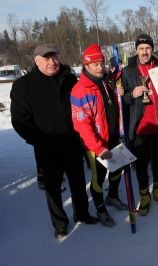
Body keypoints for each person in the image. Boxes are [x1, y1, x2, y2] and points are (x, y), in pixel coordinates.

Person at [11, 43, 97, 239]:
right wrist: (39, 140)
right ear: (36, 60)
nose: (52, 62)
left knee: (78, 182)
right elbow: (20, 121)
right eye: (46, 58)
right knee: (53, 188)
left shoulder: (69, 78)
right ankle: (60, 223)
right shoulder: (23, 86)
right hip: (46, 147)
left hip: (73, 143)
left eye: (54, 57)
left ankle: (82, 213)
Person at [71, 44, 129, 227]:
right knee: (98, 178)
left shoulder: (104, 81)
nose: (99, 67)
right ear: (86, 66)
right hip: (96, 145)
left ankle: (112, 196)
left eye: (101, 63)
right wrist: (98, 148)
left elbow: (109, 105)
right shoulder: (80, 90)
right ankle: (100, 208)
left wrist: (116, 93)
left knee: (117, 169)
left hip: (112, 137)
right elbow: (81, 125)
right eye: (94, 64)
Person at [121, 34, 158, 216]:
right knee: (141, 164)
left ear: (151, 49)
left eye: (148, 48)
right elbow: (124, 99)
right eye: (141, 49)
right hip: (140, 126)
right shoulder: (129, 71)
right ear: (136, 50)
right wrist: (132, 94)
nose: (145, 52)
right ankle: (144, 195)